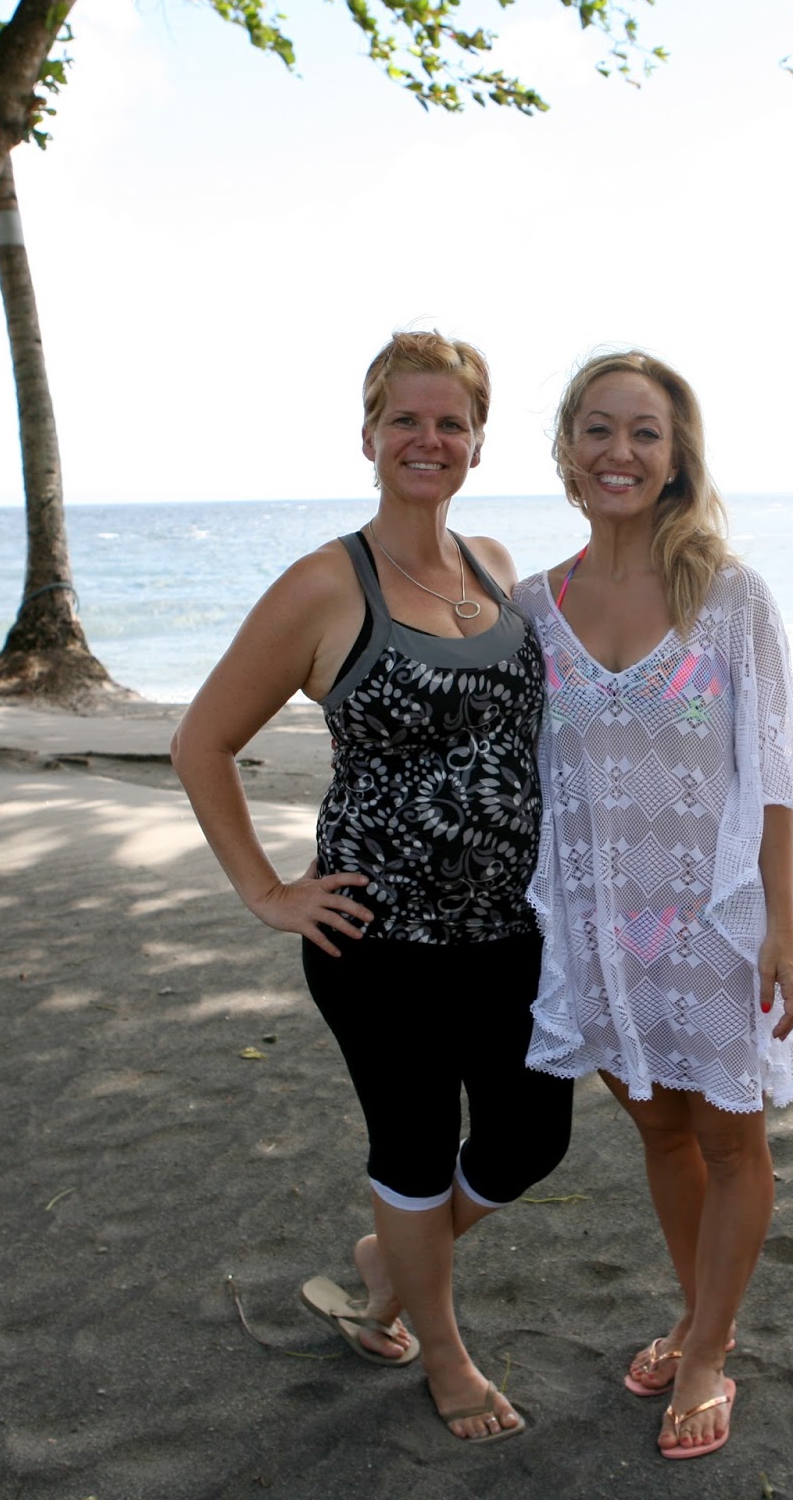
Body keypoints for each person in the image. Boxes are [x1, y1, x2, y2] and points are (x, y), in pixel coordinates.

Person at [171, 331, 572, 1445]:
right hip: (376, 941)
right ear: (369, 436)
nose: (427, 439)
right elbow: (202, 741)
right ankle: (441, 1354)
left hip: (510, 931)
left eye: (450, 422)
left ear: (479, 442)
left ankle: (382, 1257)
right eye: (406, 419)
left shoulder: (493, 563)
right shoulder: (320, 584)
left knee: (532, 1139)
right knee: (411, 1145)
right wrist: (266, 891)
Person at [514, 349, 793, 1461]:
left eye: (646, 432)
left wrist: (781, 927)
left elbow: (776, 771)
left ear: (677, 454)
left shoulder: (730, 597)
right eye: (600, 429)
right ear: (568, 447)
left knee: (733, 1138)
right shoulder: (531, 607)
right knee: (657, 1121)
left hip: (714, 918)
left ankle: (708, 1347)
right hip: (601, 923)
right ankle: (696, 1311)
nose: (621, 452)